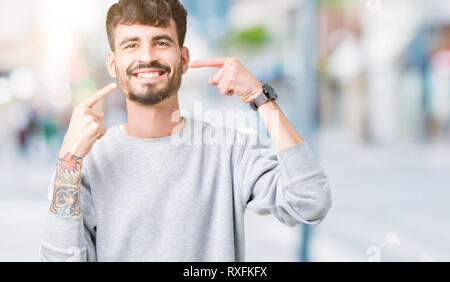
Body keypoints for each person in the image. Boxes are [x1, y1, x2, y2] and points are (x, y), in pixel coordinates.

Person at [40, 0, 332, 262]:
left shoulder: (229, 150)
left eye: (161, 43)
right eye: (131, 45)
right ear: (113, 64)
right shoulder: (82, 162)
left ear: (184, 59)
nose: (147, 57)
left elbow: (310, 202)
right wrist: (68, 160)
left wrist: (260, 97)